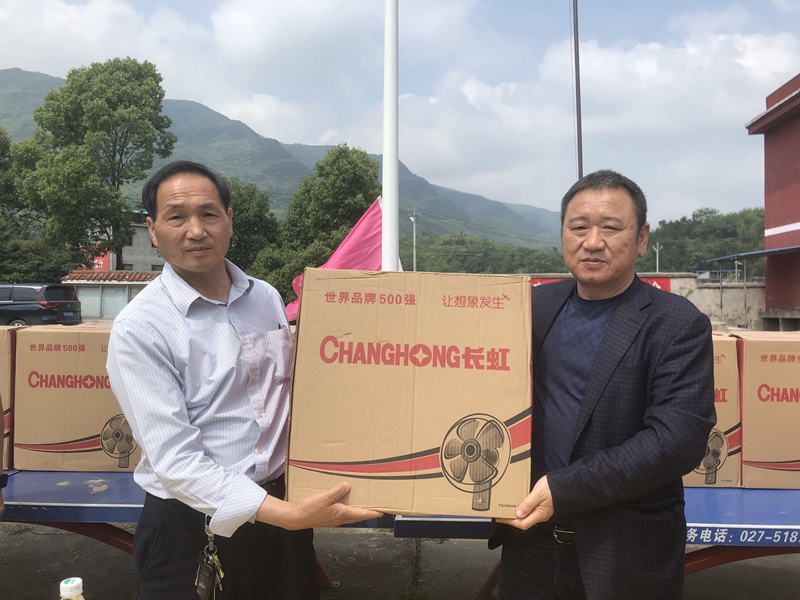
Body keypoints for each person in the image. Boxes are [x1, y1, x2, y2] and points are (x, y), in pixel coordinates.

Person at [107, 160, 381, 600]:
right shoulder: (140, 327)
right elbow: (176, 462)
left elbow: (291, 396)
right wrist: (288, 514)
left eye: (209, 214)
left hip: (283, 518)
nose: (196, 230)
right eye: (176, 217)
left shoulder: (265, 297)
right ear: (153, 230)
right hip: (192, 525)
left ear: (229, 220)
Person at [495, 170, 715, 599]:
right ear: (563, 233)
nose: (592, 242)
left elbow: (677, 441)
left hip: (623, 553)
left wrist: (565, 489)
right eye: (579, 227)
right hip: (528, 544)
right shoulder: (531, 307)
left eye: (611, 228)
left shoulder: (677, 323)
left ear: (642, 238)